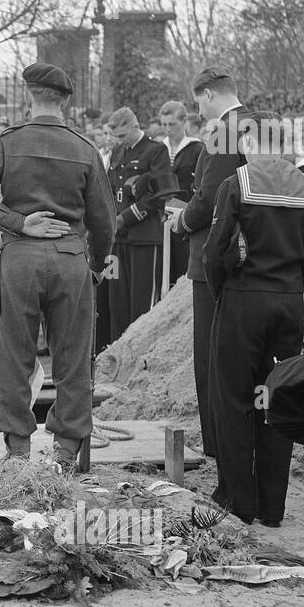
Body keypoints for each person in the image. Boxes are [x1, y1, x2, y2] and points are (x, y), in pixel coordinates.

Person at [0, 64, 113, 464]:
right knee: (73, 358)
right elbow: (105, 222)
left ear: (29, 95)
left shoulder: (8, 142)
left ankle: (17, 451)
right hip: (70, 258)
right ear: (66, 101)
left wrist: (18, 222)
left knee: (13, 356)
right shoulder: (84, 149)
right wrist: (93, 263)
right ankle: (65, 451)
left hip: (18, 258)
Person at [204, 112, 304, 526]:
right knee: (275, 399)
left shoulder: (235, 184)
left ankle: (239, 501)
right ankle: (273, 507)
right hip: (288, 302)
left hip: (242, 300)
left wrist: (226, 289)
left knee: (233, 398)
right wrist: (288, 285)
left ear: (251, 144)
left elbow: (216, 251)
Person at [170, 67, 249, 492]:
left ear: (208, 95)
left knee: (213, 363)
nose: (198, 110)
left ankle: (221, 454)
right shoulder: (263, 126)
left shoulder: (223, 132)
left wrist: (182, 220)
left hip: (216, 261)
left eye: (198, 101)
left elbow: (213, 197)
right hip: (258, 263)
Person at [104, 106, 174, 341]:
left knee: (143, 304)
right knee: (116, 303)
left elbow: (159, 195)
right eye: (116, 138)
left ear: (135, 126)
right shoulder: (116, 152)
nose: (120, 142)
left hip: (143, 236)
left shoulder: (156, 151)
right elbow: (110, 191)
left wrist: (126, 218)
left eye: (122, 136)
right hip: (117, 240)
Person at [162, 101, 203, 285]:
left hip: (185, 218)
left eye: (172, 124)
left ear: (184, 121)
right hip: (160, 220)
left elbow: (200, 187)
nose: (168, 129)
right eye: (164, 125)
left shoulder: (196, 149)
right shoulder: (157, 149)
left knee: (181, 270)